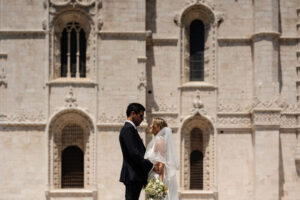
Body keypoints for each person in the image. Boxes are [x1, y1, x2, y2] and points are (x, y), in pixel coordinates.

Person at [119, 103, 159, 200]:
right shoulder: (128, 129)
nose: (142, 119)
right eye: (140, 116)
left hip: (135, 175)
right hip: (132, 175)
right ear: (133, 113)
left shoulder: (131, 129)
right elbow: (134, 153)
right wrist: (151, 166)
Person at [145, 118, 179, 200]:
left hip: (156, 179)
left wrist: (159, 185)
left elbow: (161, 165)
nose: (151, 126)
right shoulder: (157, 140)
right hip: (152, 177)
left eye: (153, 124)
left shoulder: (159, 142)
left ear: (159, 127)